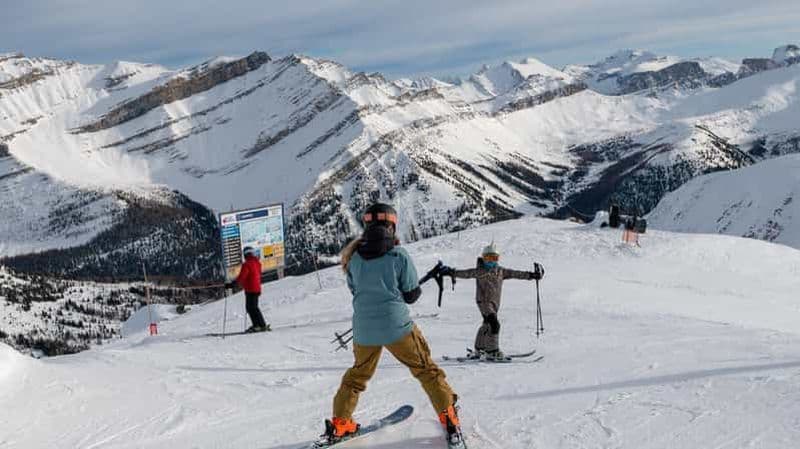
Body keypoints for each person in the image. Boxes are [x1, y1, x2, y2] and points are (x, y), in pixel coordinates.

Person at [323, 203, 464, 447]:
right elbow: (411, 295)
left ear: (367, 224)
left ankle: (340, 424)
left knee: (356, 377)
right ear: (392, 224)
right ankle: (449, 418)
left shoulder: (353, 258)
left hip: (364, 330)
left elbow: (356, 290)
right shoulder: (398, 255)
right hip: (397, 327)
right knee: (426, 371)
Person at [442, 242, 544, 360]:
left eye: (494, 258)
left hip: (494, 303)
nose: (490, 262)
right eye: (488, 258)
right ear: (483, 258)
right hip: (484, 302)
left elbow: (516, 273)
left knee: (487, 324)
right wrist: (452, 272)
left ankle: (480, 348)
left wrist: (532, 275)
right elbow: (465, 273)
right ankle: (492, 351)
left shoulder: (501, 271)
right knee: (494, 324)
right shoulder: (479, 271)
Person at [225, 246, 269, 332]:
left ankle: (259, 325)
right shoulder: (257, 263)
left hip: (251, 289)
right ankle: (260, 325)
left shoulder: (247, 264)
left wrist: (231, 285)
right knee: (253, 307)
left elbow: (242, 277)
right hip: (257, 288)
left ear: (245, 254)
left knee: (251, 308)